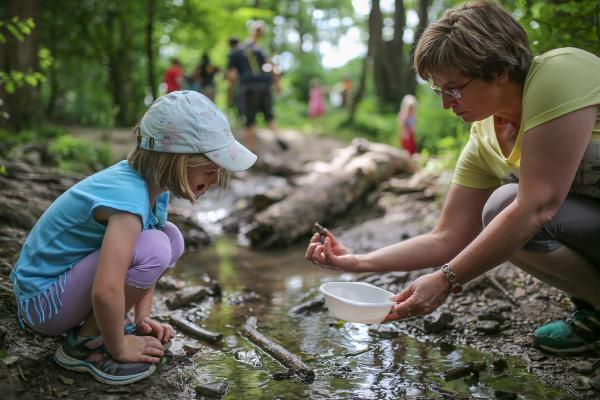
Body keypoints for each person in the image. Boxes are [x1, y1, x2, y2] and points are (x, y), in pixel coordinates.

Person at [306, 0, 600, 355]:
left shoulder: (560, 72)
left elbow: (537, 206)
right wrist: (357, 262)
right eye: (437, 90)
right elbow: (448, 237)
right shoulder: (483, 139)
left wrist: (446, 280)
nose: (446, 103)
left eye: (454, 88)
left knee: (508, 205)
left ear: (500, 69)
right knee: (501, 216)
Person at [10, 91, 257, 384]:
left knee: (170, 238)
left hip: (59, 290)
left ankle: (112, 325)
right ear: (177, 162)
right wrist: (121, 347)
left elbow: (144, 261)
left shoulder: (154, 189)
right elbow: (106, 290)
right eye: (210, 171)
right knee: (155, 246)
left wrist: (141, 318)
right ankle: (81, 346)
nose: (215, 180)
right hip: (41, 304)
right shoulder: (128, 199)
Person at [227, 20, 285, 151]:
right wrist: (277, 83)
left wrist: (229, 93)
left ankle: (251, 150)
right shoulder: (259, 51)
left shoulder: (236, 52)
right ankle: (277, 136)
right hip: (264, 86)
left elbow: (232, 75)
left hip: (248, 87)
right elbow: (271, 67)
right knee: (269, 115)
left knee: (250, 118)